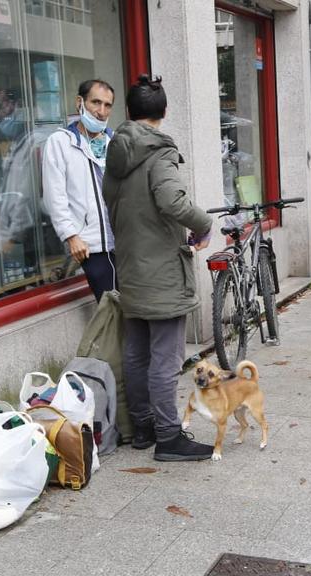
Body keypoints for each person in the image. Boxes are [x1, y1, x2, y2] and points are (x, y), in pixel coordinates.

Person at [102, 74, 215, 461]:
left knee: (136, 353)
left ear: (129, 112)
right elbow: (172, 202)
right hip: (162, 271)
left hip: (130, 267)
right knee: (166, 358)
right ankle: (169, 437)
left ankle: (143, 428)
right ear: (163, 113)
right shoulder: (159, 153)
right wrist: (203, 223)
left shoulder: (115, 155)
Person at [42, 79, 118, 301]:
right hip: (90, 246)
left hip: (124, 242)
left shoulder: (116, 142)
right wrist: (71, 235)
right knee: (111, 312)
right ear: (80, 103)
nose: (101, 111)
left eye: (107, 105)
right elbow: (54, 196)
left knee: (133, 313)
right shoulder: (60, 142)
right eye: (95, 102)